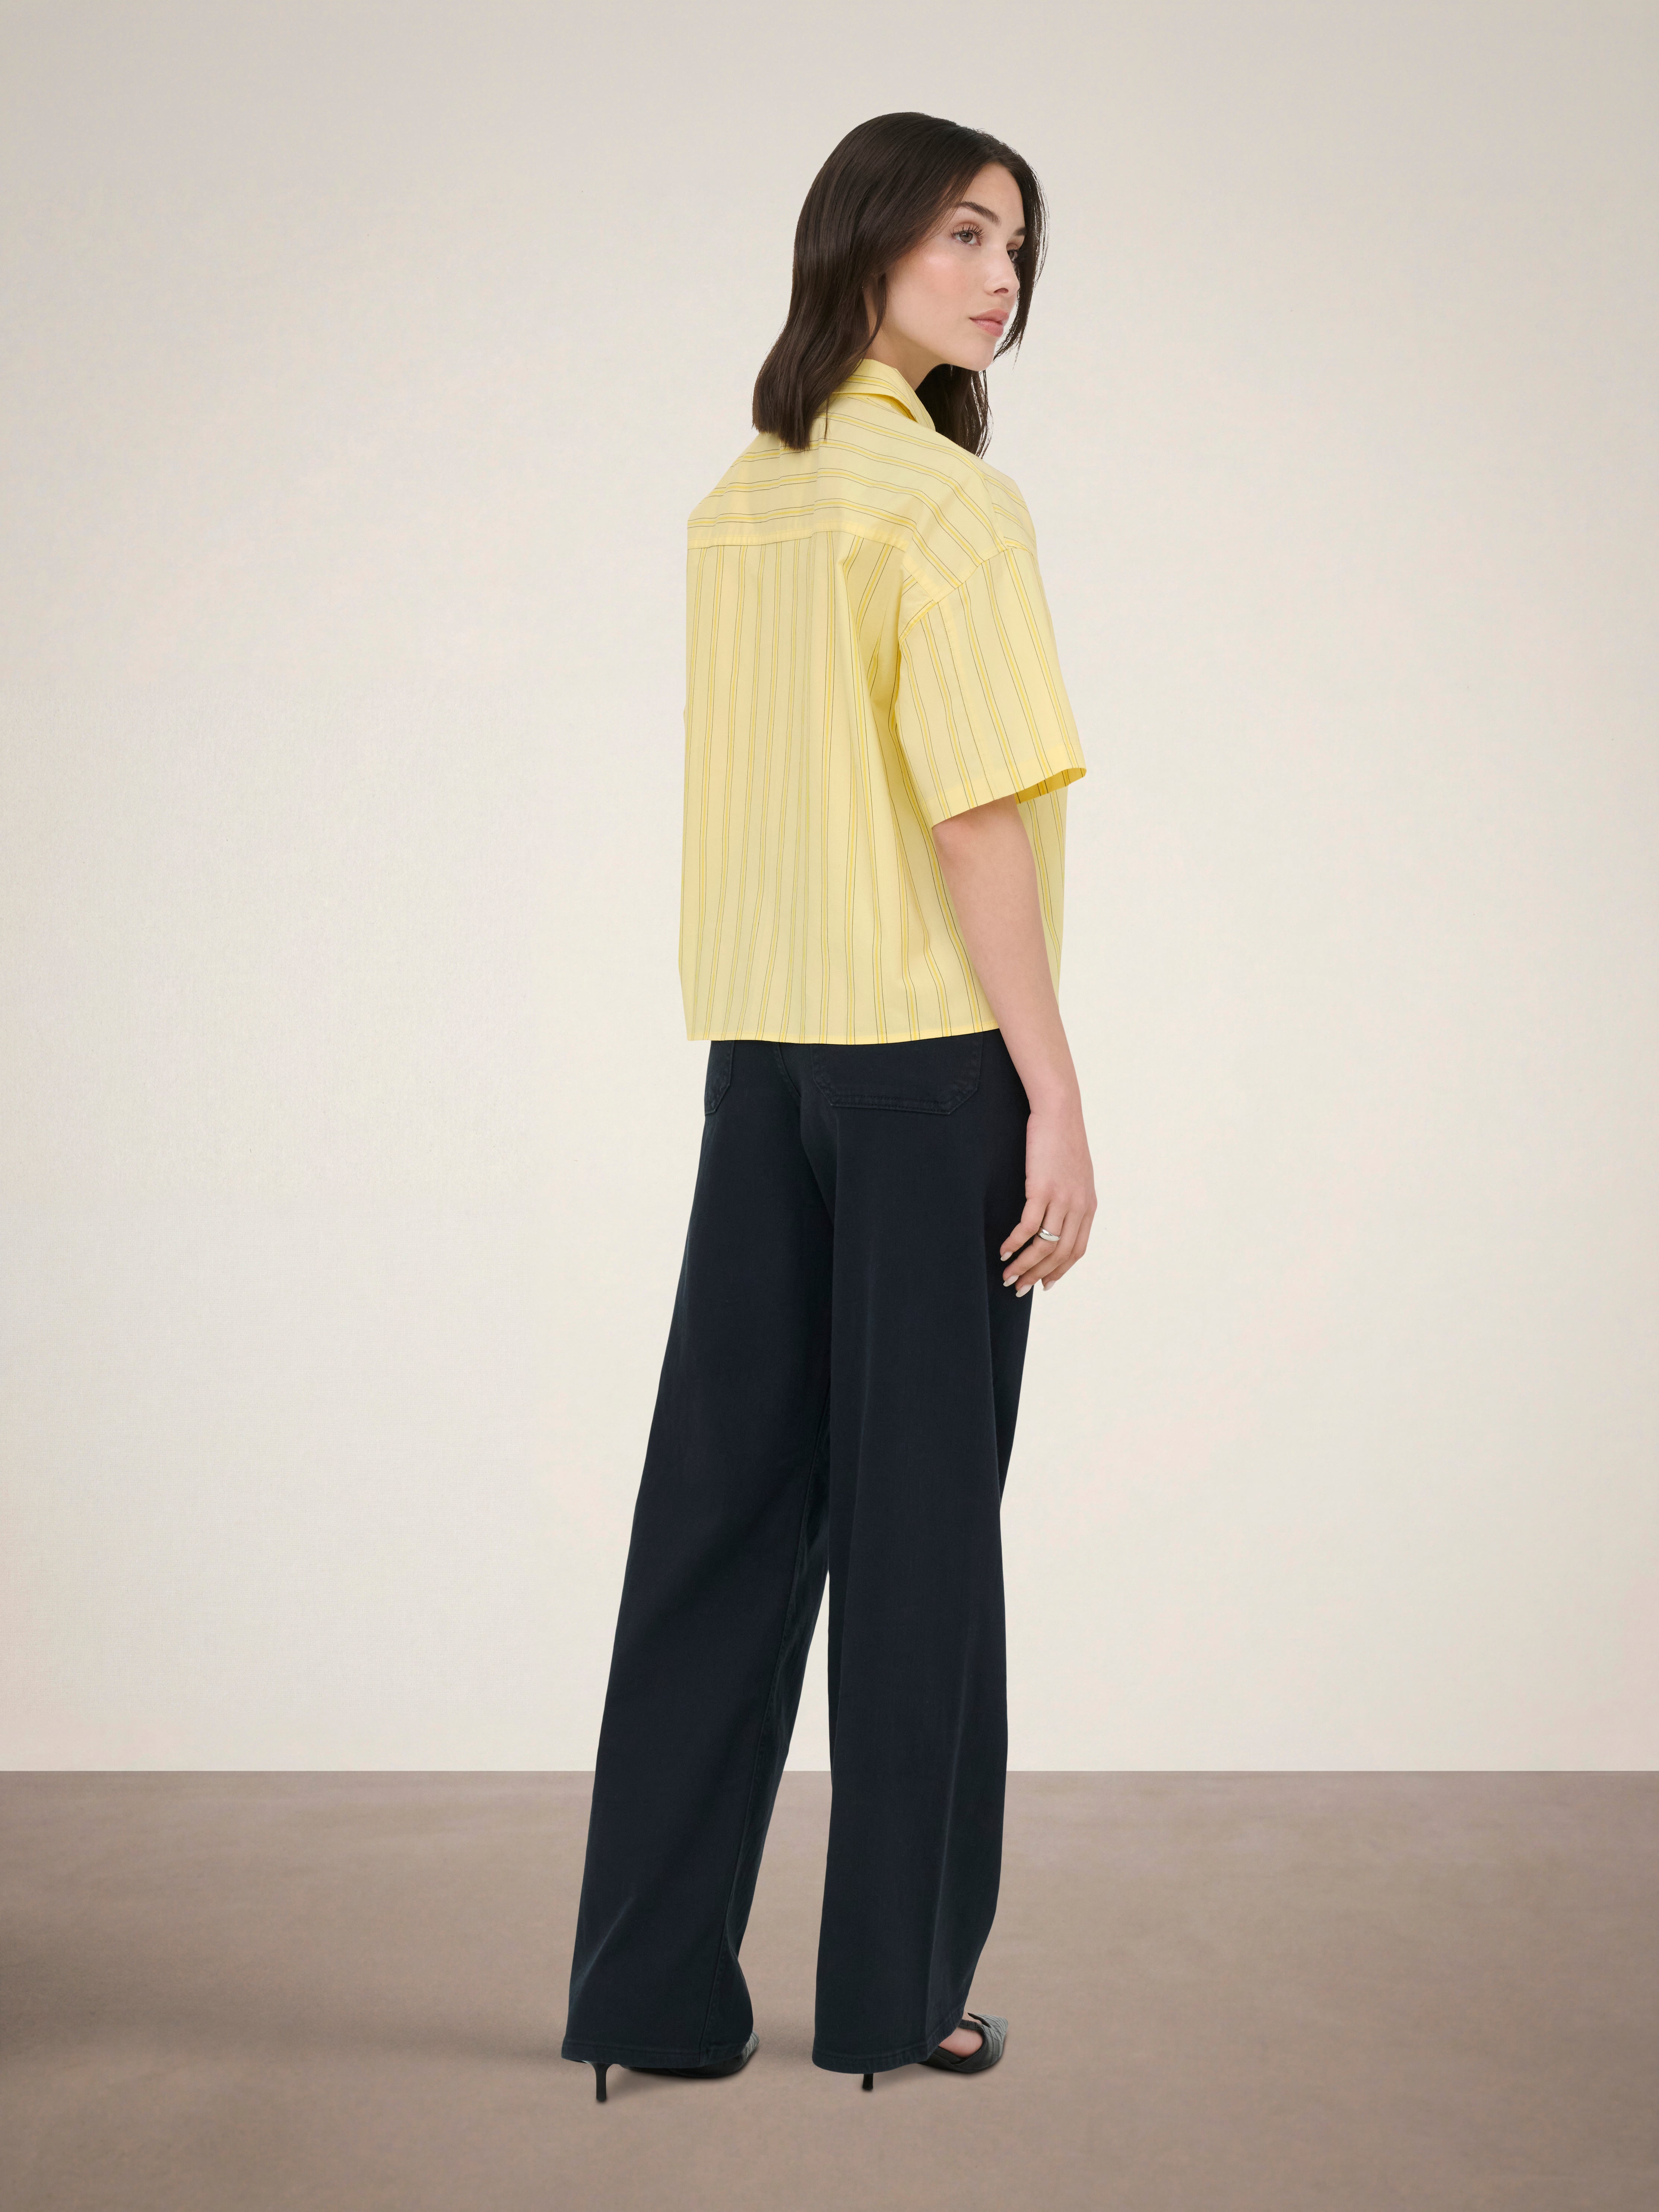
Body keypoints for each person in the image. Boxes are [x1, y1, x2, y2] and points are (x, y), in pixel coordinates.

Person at [561, 110, 1094, 2103]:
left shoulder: (745, 498)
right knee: (918, 1536)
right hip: (926, 1072)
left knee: (718, 1516)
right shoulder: (950, 512)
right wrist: (1053, 1092)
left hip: (761, 1066)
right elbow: (973, 819)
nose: (998, 276)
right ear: (862, 240)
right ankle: (892, 1998)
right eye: (962, 233)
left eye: (1016, 247)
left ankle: (647, 1991)